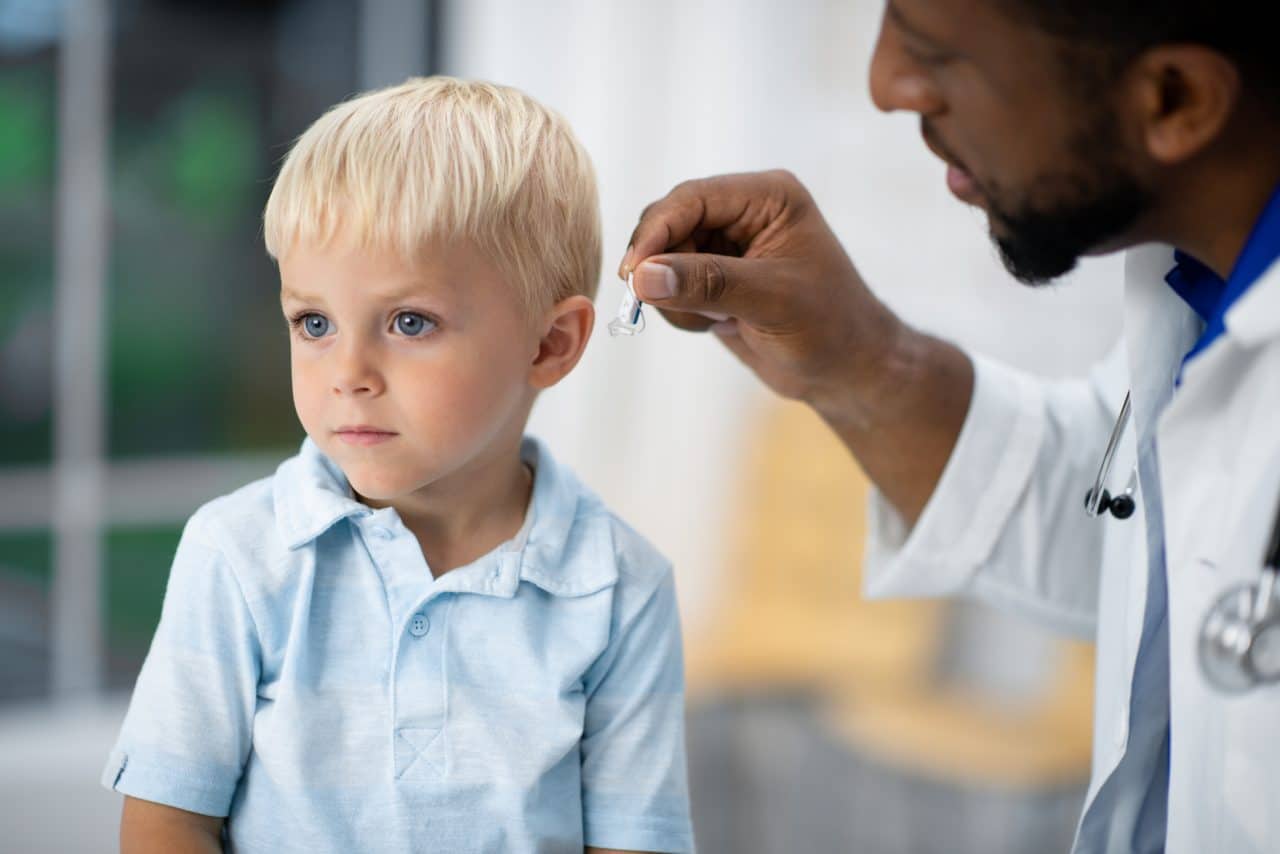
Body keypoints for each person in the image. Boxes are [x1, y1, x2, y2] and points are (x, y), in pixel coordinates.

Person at [619, 2, 1279, 852]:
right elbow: (1140, 535)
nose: (886, 84)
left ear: (1175, 100)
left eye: (935, 53)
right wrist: (863, 361)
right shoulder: (1193, 292)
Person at [101, 77, 694, 854]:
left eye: (409, 322)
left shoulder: (622, 588)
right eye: (313, 321)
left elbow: (631, 840)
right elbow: (166, 822)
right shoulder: (239, 555)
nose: (347, 370)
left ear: (549, 345)